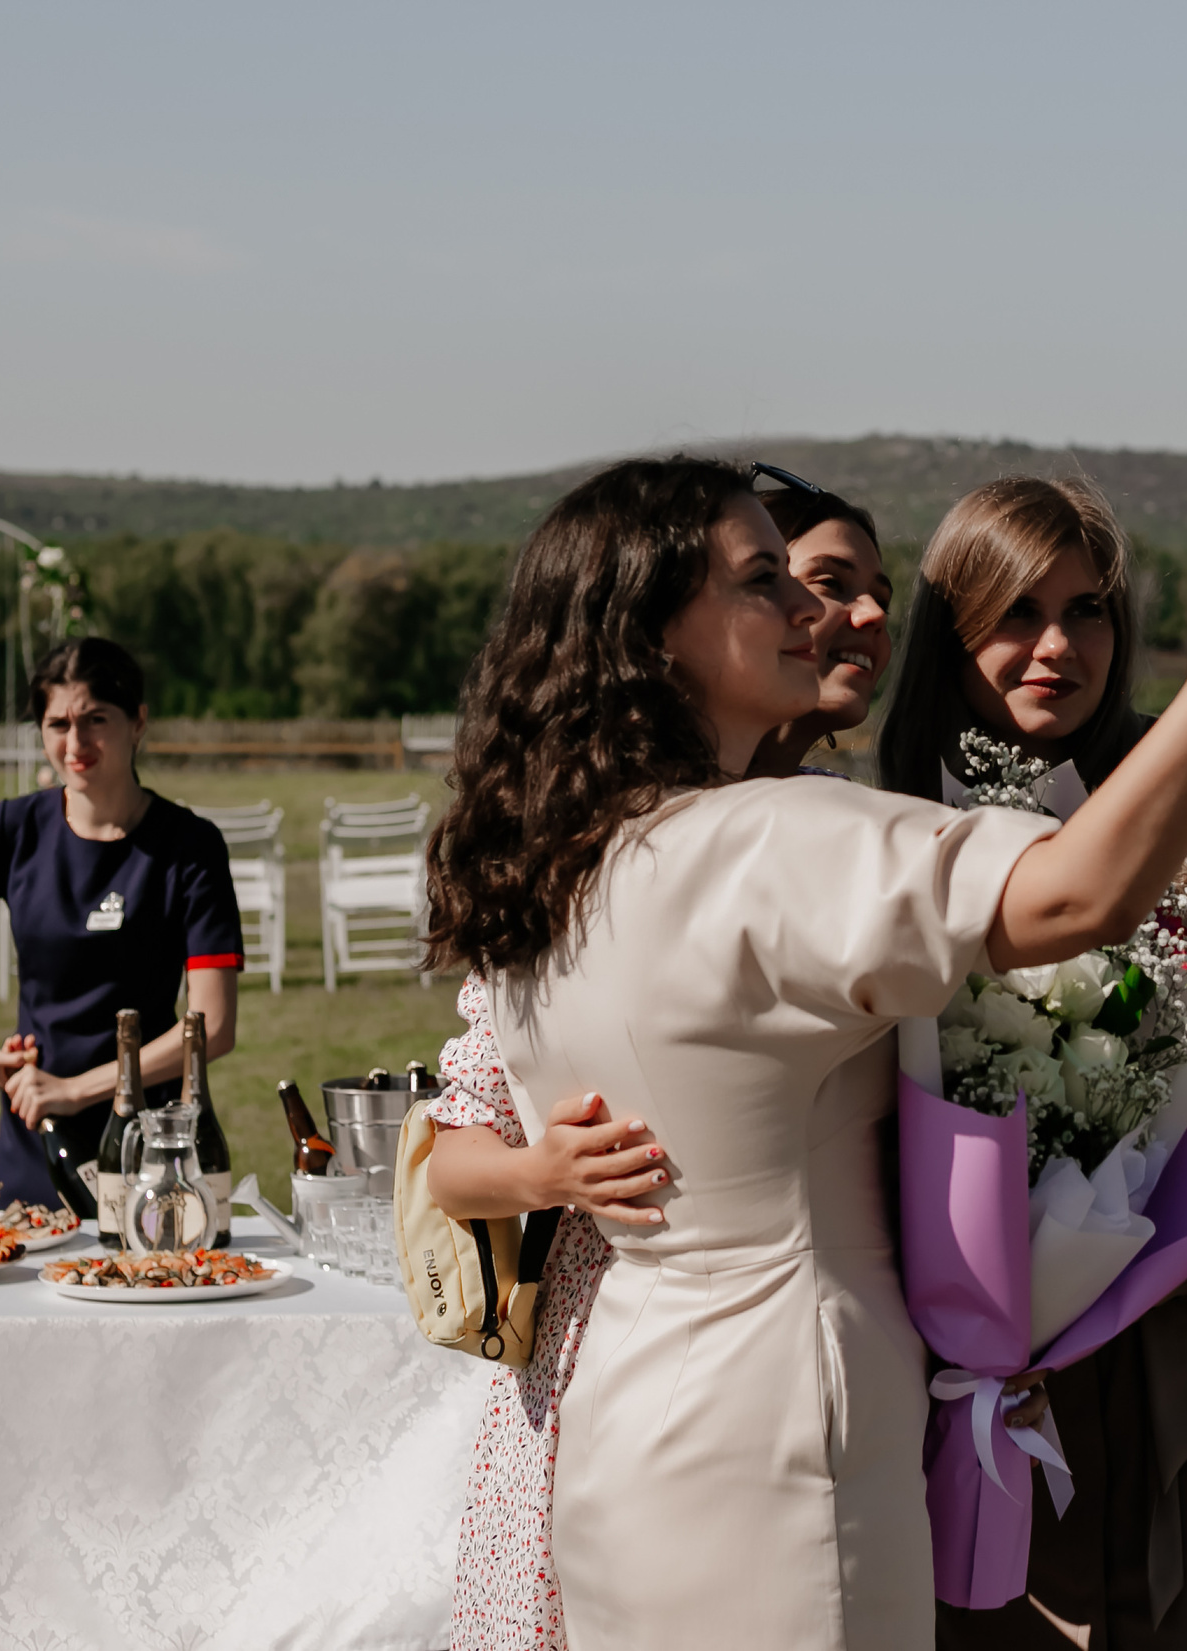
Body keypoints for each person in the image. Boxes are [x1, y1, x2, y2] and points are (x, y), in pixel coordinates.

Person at [418, 441, 1187, 1651]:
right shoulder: (767, 843)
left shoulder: (557, 861)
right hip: (786, 1447)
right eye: (763, 579)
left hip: (625, 1423)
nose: (812, 609)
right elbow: (1078, 896)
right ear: (655, 632)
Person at [880, 477, 1187, 1650]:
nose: (1058, 647)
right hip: (952, 1390)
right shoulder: (879, 828)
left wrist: (1126, 1265)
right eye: (1016, 611)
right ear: (947, 627)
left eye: (1087, 610)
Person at [436, 463, 894, 1650]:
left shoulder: (848, 827)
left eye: (872, 592)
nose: (840, 614)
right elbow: (447, 1155)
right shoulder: (573, 854)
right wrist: (545, 1174)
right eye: (801, 579)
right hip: (614, 1341)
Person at [0, 637, 244, 1208]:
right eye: (58, 724)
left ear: (138, 722)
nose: (75, 743)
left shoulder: (189, 846)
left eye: (95, 720)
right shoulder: (14, 830)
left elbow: (213, 1028)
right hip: (37, 1138)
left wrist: (75, 1090)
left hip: (153, 1146)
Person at [745, 464, 895, 778]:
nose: (876, 613)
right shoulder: (651, 798)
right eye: (831, 583)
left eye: (882, 600)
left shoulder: (844, 803)